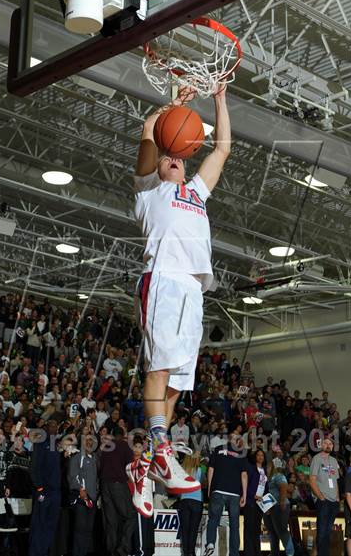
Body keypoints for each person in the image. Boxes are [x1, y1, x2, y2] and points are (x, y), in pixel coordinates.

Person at [127, 83, 231, 518]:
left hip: (193, 290)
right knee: (160, 368)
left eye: (178, 157)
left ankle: (146, 466)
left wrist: (220, 99)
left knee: (176, 384)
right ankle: (162, 448)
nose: (174, 159)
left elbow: (222, 149)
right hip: (163, 280)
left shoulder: (196, 193)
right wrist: (174, 105)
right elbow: (151, 129)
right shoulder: (149, 191)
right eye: (168, 155)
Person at [204, 433, 248, 556]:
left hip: (218, 490)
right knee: (234, 525)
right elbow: (244, 475)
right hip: (234, 494)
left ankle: (210, 543)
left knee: (213, 519)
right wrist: (244, 494)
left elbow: (211, 469)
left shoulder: (218, 449)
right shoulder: (241, 454)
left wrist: (210, 488)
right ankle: (234, 553)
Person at [100, 426, 137, 556]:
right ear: (122, 435)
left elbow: (100, 465)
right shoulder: (124, 446)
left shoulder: (106, 447)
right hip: (118, 485)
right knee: (131, 515)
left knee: (111, 520)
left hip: (104, 485)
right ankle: (123, 548)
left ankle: (112, 550)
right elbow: (130, 467)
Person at [29, 419, 61, 556]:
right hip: (44, 491)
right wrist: (39, 488)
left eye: (56, 426)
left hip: (56, 492)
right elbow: (34, 467)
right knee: (39, 523)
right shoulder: (41, 443)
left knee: (50, 525)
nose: (54, 428)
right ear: (46, 428)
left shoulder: (56, 445)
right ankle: (35, 552)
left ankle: (43, 551)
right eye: (51, 426)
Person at [68, 434, 99, 556]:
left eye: (91, 441)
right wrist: (81, 489)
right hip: (81, 498)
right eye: (87, 440)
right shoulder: (76, 458)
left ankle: (84, 552)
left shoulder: (94, 459)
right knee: (80, 529)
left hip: (93, 499)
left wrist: (96, 493)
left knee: (88, 530)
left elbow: (96, 479)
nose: (90, 443)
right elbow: (72, 476)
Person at [309, 437, 340, 556]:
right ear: (321, 445)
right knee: (322, 531)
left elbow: (335, 481)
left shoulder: (333, 460)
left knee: (328, 531)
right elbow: (312, 480)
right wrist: (321, 497)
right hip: (323, 500)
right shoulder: (316, 459)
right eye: (326, 443)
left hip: (333, 501)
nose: (328, 445)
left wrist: (337, 498)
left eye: (331, 444)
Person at [263, 465, 294, 556]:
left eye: (268, 467)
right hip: (268, 507)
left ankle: (290, 553)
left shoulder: (278, 475)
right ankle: (274, 553)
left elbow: (284, 486)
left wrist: (282, 502)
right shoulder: (265, 479)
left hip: (279, 505)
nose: (267, 468)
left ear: (272, 467)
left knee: (281, 529)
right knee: (272, 531)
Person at [178, 452, 204, 556]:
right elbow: (204, 483)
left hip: (184, 500)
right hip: (197, 501)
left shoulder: (182, 471)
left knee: (185, 530)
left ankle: (185, 553)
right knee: (193, 530)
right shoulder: (200, 470)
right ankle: (191, 553)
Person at [243, 449, 268, 556]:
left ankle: (257, 553)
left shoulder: (264, 470)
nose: (260, 457)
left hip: (260, 504)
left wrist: (267, 504)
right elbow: (245, 484)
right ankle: (249, 553)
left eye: (262, 455)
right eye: (258, 455)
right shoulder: (251, 468)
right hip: (250, 502)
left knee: (257, 529)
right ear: (255, 457)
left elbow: (266, 488)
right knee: (249, 528)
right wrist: (253, 495)